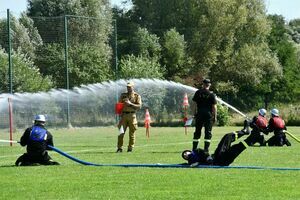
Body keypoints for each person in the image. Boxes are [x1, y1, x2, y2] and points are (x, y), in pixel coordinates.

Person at [182, 129, 251, 166]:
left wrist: (207, 157)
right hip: (219, 160)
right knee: (237, 147)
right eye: (184, 156)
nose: (185, 155)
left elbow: (205, 152)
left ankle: (246, 133)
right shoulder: (190, 162)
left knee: (227, 137)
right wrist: (197, 163)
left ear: (189, 151)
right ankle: (247, 133)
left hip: (218, 157)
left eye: (185, 153)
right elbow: (182, 165)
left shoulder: (197, 151)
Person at [191, 78, 217, 153]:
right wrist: (215, 116)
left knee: (197, 131)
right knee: (208, 132)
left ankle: (194, 149)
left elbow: (194, 104)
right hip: (208, 115)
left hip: (199, 114)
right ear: (209, 85)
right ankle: (206, 149)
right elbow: (214, 107)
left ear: (203, 84)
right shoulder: (211, 94)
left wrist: (194, 113)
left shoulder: (198, 93)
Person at [116, 82, 142, 153]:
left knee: (132, 134)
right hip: (124, 116)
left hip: (132, 116)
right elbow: (119, 105)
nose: (128, 88)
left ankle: (130, 148)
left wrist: (130, 104)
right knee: (121, 133)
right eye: (127, 87)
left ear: (133, 87)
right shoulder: (123, 95)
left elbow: (139, 106)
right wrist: (119, 113)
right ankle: (119, 148)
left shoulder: (137, 96)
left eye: (130, 87)